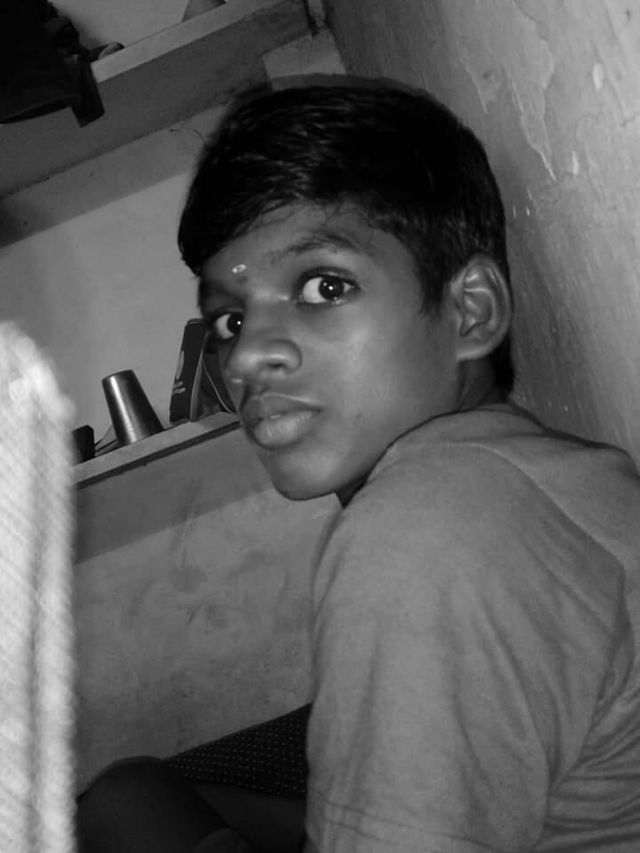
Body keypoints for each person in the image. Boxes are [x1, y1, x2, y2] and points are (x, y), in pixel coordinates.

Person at [77, 79, 640, 852]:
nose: (244, 356)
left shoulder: (423, 535)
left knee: (116, 814)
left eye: (323, 285)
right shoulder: (525, 474)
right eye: (230, 318)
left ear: (470, 310)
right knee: (129, 793)